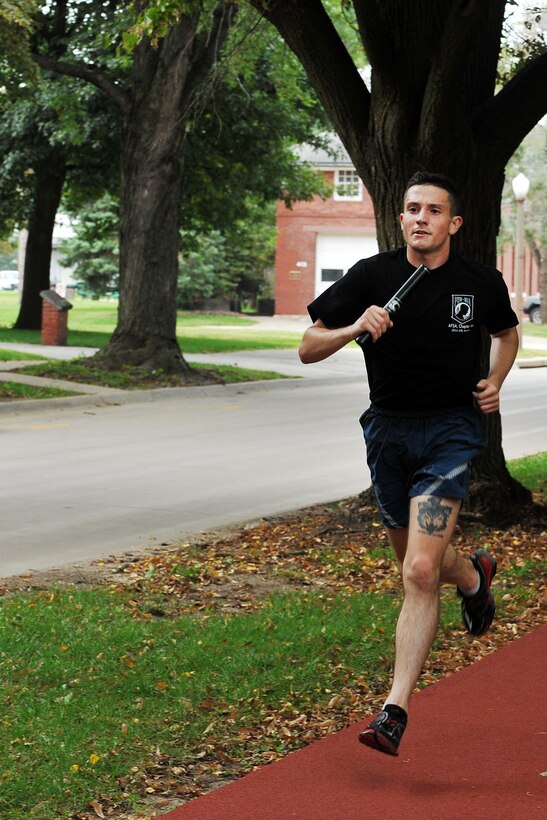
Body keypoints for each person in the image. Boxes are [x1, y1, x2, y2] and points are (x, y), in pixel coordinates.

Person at [298, 171, 519, 756]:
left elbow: (507, 334)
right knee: (422, 567)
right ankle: (473, 576)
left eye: (433, 210)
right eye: (412, 209)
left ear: (454, 223)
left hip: (450, 429)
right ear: (401, 218)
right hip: (388, 433)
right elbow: (306, 346)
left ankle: (393, 710)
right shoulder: (373, 275)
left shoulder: (479, 282)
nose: (421, 218)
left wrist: (494, 381)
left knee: (419, 574)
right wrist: (353, 327)